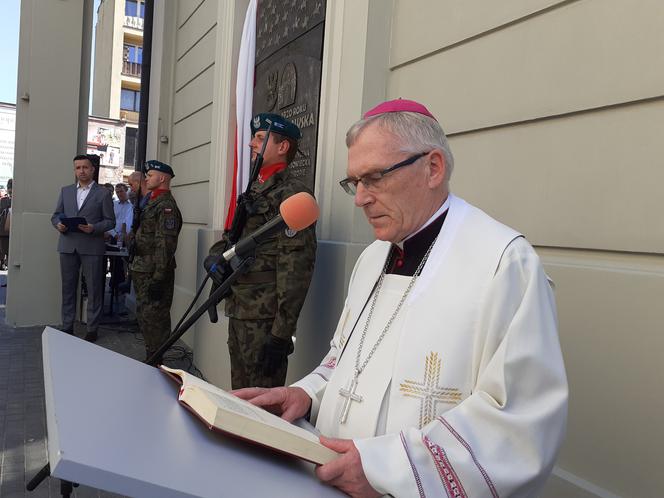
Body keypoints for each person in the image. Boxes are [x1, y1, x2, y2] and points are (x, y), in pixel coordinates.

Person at [234, 99, 568, 497]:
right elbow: (345, 360)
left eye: (374, 178)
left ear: (433, 168)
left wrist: (384, 469)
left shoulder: (503, 263)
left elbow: (519, 423)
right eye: (354, 182)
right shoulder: (374, 256)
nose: (360, 198)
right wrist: (305, 395)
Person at [207, 113, 317, 389]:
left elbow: (297, 268)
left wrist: (281, 334)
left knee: (262, 406)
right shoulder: (255, 189)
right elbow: (233, 236)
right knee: (240, 393)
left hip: (265, 318)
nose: (251, 144)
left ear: (283, 147)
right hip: (241, 307)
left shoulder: (292, 195)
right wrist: (215, 255)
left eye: (259, 138)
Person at [51, 155, 115, 342]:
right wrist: (58, 225)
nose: (81, 171)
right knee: (68, 287)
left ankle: (92, 328)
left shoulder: (103, 193)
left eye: (85, 167)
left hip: (92, 246)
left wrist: (94, 228)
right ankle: (67, 325)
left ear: (92, 169)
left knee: (94, 289)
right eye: (78, 167)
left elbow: (111, 221)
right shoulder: (66, 191)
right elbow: (55, 216)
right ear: (74, 170)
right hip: (68, 245)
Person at [129, 160, 182, 361]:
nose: (146, 178)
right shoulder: (151, 201)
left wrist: (159, 277)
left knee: (155, 318)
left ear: (161, 178)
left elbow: (165, 244)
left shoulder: (166, 206)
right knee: (145, 316)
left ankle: (156, 360)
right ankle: (151, 355)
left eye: (150, 175)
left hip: (154, 272)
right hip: (143, 268)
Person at [0, 178, 12, 272]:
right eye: (9, 187)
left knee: (10, 253)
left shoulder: (17, 201)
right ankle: (3, 263)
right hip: (3, 231)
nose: (10, 189)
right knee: (4, 251)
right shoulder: (3, 200)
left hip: (11, 231)